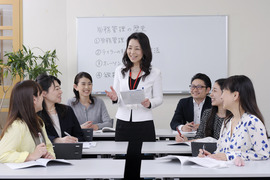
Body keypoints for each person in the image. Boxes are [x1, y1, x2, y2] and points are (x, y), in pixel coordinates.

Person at [105, 32, 163, 179]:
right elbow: (117, 96)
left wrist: (150, 103)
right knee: (123, 163)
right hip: (123, 123)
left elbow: (159, 98)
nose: (132, 52)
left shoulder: (154, 72)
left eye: (137, 48)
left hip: (144, 123)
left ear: (144, 50)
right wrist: (114, 98)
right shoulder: (119, 71)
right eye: (129, 48)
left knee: (144, 164)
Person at [199, 75, 269, 162]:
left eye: (224, 92)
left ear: (235, 95)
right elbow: (220, 151)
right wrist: (211, 156)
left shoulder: (252, 122)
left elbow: (263, 155)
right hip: (224, 173)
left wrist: (229, 156)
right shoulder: (227, 122)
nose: (221, 97)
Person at [0, 80, 55, 163]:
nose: (43, 98)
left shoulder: (39, 122)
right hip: (22, 175)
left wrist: (49, 155)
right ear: (34, 99)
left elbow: (48, 146)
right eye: (41, 95)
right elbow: (2, 154)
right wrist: (30, 156)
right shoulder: (17, 125)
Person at [36, 74, 84, 143]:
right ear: (44, 93)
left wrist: (74, 140)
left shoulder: (67, 110)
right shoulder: (36, 115)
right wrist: (56, 140)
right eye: (57, 89)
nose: (61, 92)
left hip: (70, 152)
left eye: (60, 88)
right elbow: (37, 138)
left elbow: (80, 136)